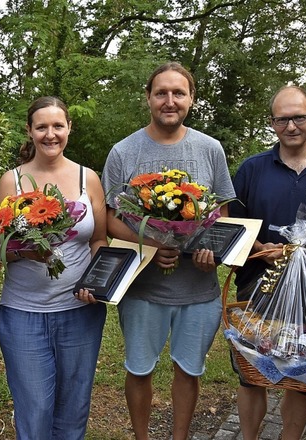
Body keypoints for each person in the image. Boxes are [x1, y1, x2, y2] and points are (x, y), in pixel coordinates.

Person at [101, 62, 236, 440]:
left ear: (191, 98)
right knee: (139, 369)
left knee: (189, 370)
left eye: (179, 93)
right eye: (161, 92)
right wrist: (149, 244)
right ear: (148, 97)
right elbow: (110, 217)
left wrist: (214, 251)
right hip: (143, 287)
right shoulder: (123, 151)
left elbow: (221, 212)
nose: (170, 100)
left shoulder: (210, 149)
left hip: (199, 287)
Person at [230, 85, 306, 440]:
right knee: (251, 374)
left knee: (303, 376)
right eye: (283, 119)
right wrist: (258, 246)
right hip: (257, 287)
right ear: (272, 124)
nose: (292, 126)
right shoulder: (252, 169)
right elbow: (233, 224)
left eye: (299, 117)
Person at [0, 96, 108, 439]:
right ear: (30, 131)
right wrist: (26, 252)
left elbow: (98, 240)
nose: (50, 134)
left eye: (58, 126)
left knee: (74, 408)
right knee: (34, 409)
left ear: (69, 128)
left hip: (79, 312)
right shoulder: (11, 181)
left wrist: (95, 280)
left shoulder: (89, 180)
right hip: (23, 313)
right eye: (41, 127)